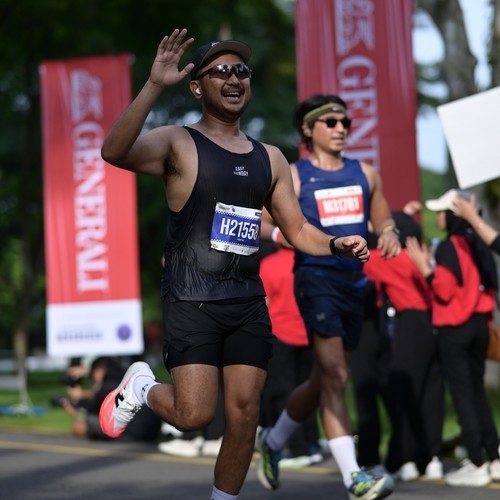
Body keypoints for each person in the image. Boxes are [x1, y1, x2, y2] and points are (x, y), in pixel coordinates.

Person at [97, 29, 369, 500]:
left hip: (246, 300)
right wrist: (154, 85)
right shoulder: (178, 142)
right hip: (191, 297)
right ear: (197, 87)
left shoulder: (271, 158)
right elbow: (114, 152)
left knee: (245, 415)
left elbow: (298, 229)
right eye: (220, 70)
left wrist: (335, 243)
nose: (234, 78)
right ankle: (141, 387)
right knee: (194, 415)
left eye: (241, 70)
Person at [256, 94, 399, 499]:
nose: (341, 129)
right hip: (315, 280)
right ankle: (355, 478)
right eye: (331, 122)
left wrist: (389, 233)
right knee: (336, 376)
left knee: (324, 379)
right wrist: (282, 235)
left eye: (345, 123)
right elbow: (261, 221)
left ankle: (273, 440)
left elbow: (383, 218)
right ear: (308, 129)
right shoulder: (294, 176)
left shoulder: (365, 173)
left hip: (355, 286)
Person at [406, 189, 500, 487]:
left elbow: (444, 291)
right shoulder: (479, 242)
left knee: (463, 394)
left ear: (454, 215)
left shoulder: (450, 246)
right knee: (477, 391)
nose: (438, 217)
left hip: (455, 327)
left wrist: (425, 268)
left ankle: (475, 461)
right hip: (480, 325)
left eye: (442, 211)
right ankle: (494, 457)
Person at [363, 211, 444, 481]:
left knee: (405, 391)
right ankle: (432, 458)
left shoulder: (390, 258)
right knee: (432, 391)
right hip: (435, 322)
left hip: (410, 324)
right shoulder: (426, 256)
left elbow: (357, 258)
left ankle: (407, 459)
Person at [259, 246, 323, 468]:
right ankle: (312, 442)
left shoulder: (269, 264)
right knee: (309, 390)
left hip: (280, 335)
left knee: (283, 393)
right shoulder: (312, 261)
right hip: (309, 334)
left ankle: (297, 448)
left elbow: (263, 303)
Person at [59, 357, 161, 441]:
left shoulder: (107, 388)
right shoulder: (126, 381)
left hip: (132, 433)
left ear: (100, 370)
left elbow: (95, 412)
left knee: (80, 425)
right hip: (153, 432)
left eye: (93, 372)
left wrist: (72, 408)